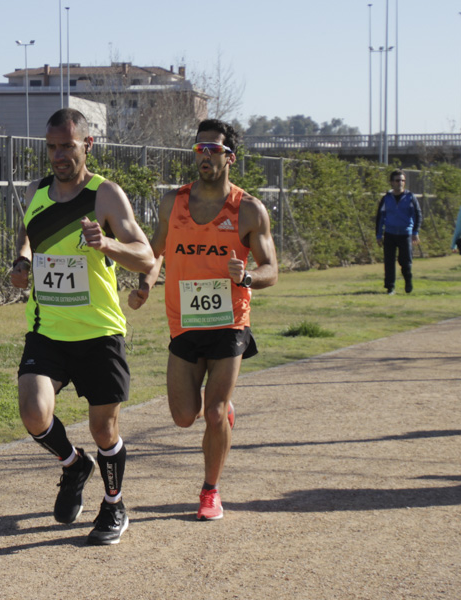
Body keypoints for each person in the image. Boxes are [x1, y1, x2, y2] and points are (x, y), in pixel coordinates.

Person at [9, 108, 155, 545]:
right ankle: (74, 465)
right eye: (51, 147)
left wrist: (106, 242)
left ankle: (114, 505)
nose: (57, 156)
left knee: (103, 429)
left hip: (98, 332)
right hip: (48, 328)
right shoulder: (37, 191)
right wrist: (22, 261)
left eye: (67, 147)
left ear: (87, 145)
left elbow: (146, 256)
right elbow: (28, 235)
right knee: (34, 412)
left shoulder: (104, 194)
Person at [128, 119, 278, 521]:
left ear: (230, 157)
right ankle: (223, 413)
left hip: (230, 323)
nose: (205, 156)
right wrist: (145, 283)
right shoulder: (172, 204)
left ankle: (210, 490)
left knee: (212, 413)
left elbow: (271, 269)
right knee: (182, 417)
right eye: (199, 149)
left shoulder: (248, 210)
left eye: (213, 149)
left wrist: (245, 277)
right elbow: (154, 253)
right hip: (185, 324)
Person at [375, 170, 422, 294]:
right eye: (397, 180)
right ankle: (390, 287)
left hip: (405, 234)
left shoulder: (410, 197)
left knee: (405, 261)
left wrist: (415, 231)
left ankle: (408, 281)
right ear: (391, 182)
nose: (400, 183)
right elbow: (380, 217)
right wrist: (379, 235)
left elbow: (418, 214)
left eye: (402, 180)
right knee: (389, 261)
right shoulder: (386, 198)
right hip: (390, 233)